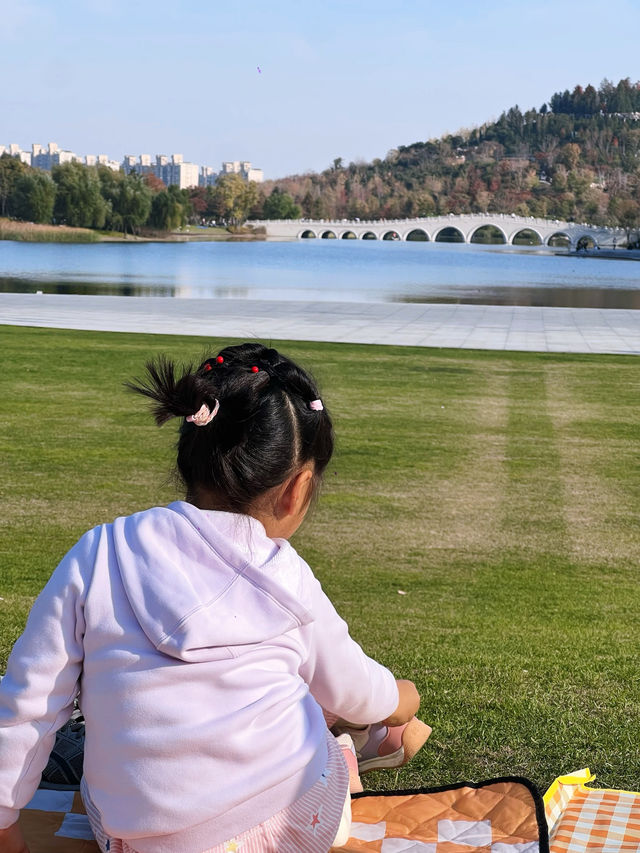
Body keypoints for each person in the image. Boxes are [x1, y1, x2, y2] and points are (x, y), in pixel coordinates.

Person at [0, 343, 430, 853]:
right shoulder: (284, 574)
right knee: (311, 698)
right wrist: (401, 698)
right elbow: (357, 690)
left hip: (137, 841)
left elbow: (29, 702)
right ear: (297, 489)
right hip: (291, 825)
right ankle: (349, 755)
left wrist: (6, 825)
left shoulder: (100, 553)